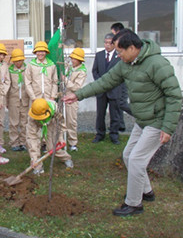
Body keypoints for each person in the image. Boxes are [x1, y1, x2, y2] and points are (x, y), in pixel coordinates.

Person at [63, 29, 182, 216]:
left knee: (136, 160)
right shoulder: (126, 63)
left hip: (157, 121)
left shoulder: (157, 64)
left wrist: (168, 128)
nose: (117, 55)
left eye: (120, 51)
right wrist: (78, 95)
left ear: (133, 48)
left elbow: (175, 96)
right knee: (128, 155)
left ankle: (134, 204)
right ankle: (147, 191)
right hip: (142, 120)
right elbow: (105, 82)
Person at [27, 98, 74, 175]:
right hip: (36, 123)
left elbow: (61, 124)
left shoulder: (55, 108)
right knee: (33, 147)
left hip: (51, 122)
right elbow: (32, 137)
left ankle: (66, 158)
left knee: (51, 147)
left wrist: (60, 137)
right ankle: (38, 167)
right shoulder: (32, 116)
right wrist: (34, 158)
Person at [92, 33, 122, 144]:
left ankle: (114, 135)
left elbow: (121, 73)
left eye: (109, 43)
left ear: (114, 44)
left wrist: (112, 83)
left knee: (114, 114)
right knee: (100, 114)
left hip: (114, 90)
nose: (107, 45)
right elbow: (95, 71)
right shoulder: (99, 55)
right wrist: (100, 83)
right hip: (101, 90)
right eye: (105, 43)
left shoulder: (119, 57)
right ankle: (100, 134)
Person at [62, 47, 87, 151]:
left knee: (71, 121)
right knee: (61, 120)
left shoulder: (82, 72)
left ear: (80, 60)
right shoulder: (69, 67)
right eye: (72, 58)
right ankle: (61, 141)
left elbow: (76, 87)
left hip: (72, 98)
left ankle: (73, 143)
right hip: (63, 96)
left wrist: (65, 80)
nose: (72, 60)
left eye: (75, 59)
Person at [7, 48, 28, 151]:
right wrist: (6, 101)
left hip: (25, 99)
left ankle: (24, 141)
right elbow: (7, 87)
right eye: (16, 61)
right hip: (13, 99)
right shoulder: (9, 71)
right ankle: (14, 142)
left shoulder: (27, 70)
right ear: (13, 61)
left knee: (24, 122)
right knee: (14, 122)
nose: (18, 62)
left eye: (20, 60)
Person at [111, 22, 130, 131]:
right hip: (119, 79)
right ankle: (120, 125)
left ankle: (120, 124)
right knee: (119, 103)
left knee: (122, 102)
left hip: (123, 82)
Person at [0, 43, 10, 154]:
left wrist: (2, 92)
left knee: (0, 121)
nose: (1, 57)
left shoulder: (5, 66)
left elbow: (7, 81)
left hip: (2, 97)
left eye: (2, 55)